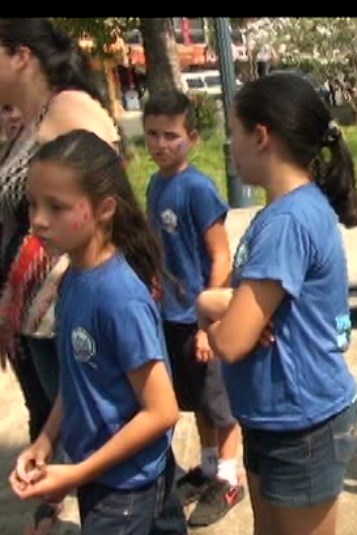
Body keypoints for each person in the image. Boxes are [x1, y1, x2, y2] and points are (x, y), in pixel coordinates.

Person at [195, 72, 357, 535]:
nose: (230, 145)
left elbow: (230, 342)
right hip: (276, 416)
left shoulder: (288, 222)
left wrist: (220, 319)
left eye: (234, 132)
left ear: (262, 136)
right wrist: (217, 305)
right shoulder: (282, 213)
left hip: (302, 424)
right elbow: (227, 305)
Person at [8, 129, 186, 534]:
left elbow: (162, 411)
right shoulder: (72, 278)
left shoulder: (118, 297)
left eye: (56, 207)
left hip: (126, 490)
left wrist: (77, 473)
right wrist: (47, 442)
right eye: (33, 205)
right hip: (102, 478)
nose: (37, 221)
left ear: (104, 208)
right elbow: (76, 381)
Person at [0, 18, 124, 534]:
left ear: (21, 55)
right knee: (52, 422)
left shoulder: (68, 109)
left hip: (71, 312)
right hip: (31, 318)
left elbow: (110, 210)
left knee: (92, 429)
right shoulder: (26, 122)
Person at [142, 90, 244, 527]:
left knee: (221, 406)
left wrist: (208, 326)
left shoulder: (198, 189)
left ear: (193, 137)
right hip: (171, 316)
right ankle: (205, 467)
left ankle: (228, 477)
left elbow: (221, 257)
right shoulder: (155, 184)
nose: (161, 144)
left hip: (199, 318)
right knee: (197, 402)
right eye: (152, 134)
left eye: (171, 135)